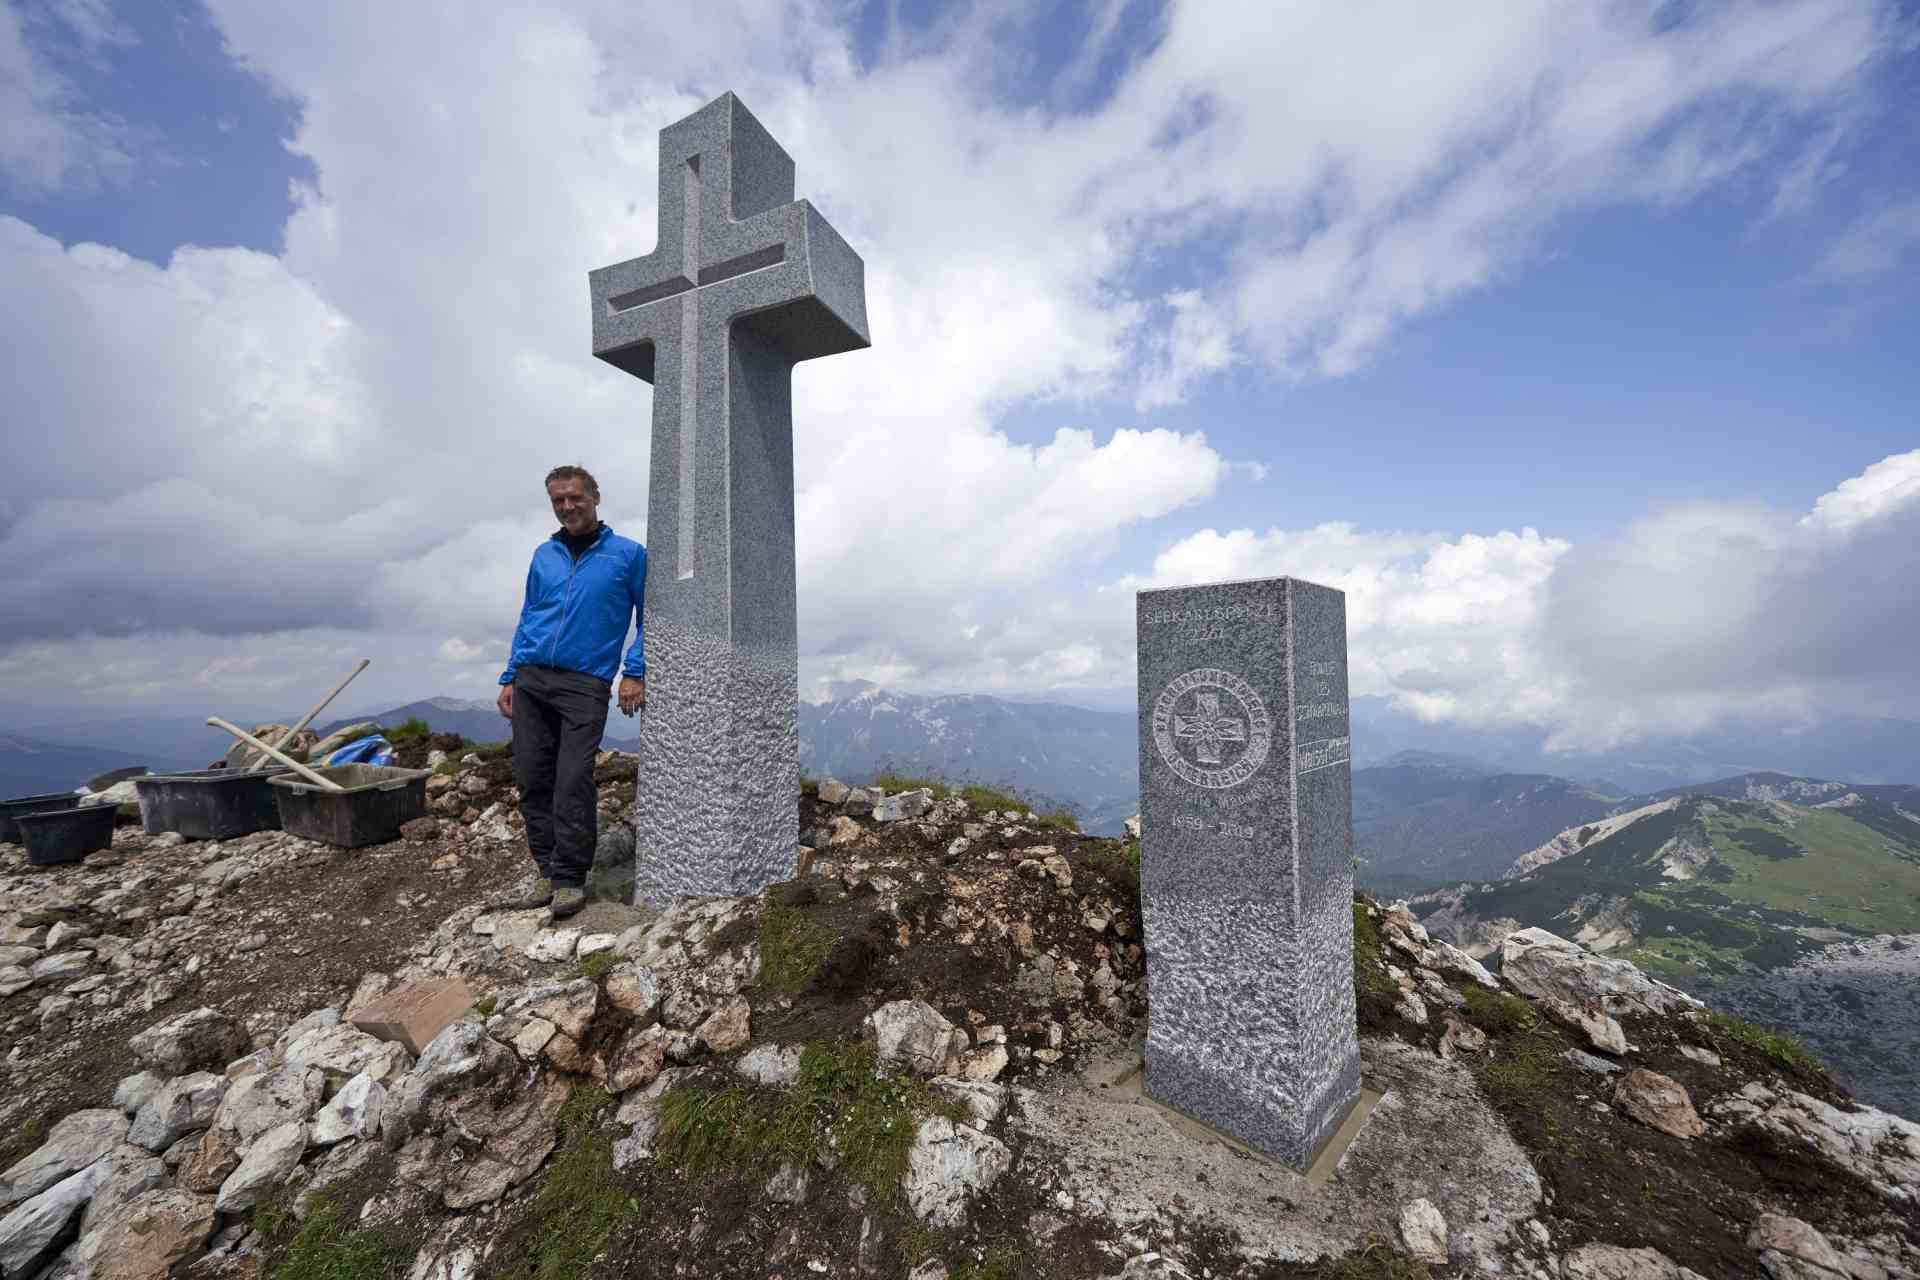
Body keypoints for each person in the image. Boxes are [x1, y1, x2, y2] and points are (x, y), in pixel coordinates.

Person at [494, 465, 646, 919]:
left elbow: (650, 616)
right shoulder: (543, 555)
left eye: (575, 497)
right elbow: (530, 615)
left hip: (585, 682)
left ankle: (569, 880)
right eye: (558, 500)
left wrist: (633, 672)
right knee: (531, 777)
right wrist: (510, 675)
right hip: (532, 678)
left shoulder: (628, 555)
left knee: (572, 780)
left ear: (595, 497)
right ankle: (545, 872)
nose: (567, 506)